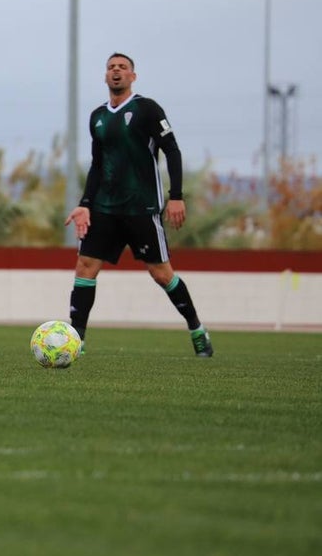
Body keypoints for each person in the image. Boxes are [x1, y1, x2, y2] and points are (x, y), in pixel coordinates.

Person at [64, 52, 213, 357]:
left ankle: (197, 329)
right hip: (104, 208)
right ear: (105, 76)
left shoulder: (146, 109)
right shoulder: (97, 117)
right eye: (111, 68)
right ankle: (76, 341)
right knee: (85, 266)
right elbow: (97, 163)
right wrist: (85, 204)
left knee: (161, 274)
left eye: (123, 67)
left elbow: (171, 150)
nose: (116, 71)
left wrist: (176, 196)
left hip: (141, 207)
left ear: (133, 76)